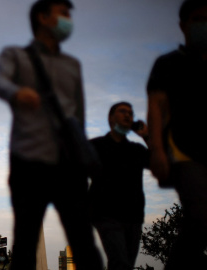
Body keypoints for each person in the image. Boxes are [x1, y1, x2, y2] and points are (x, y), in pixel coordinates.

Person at [0, 0, 102, 269]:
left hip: (68, 163)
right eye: (63, 13)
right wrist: (16, 93)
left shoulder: (72, 65)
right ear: (42, 17)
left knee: (84, 243)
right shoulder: (16, 55)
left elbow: (80, 116)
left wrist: (82, 156)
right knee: (26, 243)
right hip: (28, 160)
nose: (68, 19)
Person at [147, 0, 207, 269]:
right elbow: (156, 108)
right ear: (184, 25)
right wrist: (157, 151)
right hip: (185, 152)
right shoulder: (168, 63)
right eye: (198, 19)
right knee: (199, 217)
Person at [88, 102, 149, 270]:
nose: (128, 115)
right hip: (105, 214)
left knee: (125, 264)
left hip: (133, 216)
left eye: (130, 113)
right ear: (110, 118)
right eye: (122, 111)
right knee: (120, 263)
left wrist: (147, 137)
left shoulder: (137, 150)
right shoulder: (95, 146)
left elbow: (162, 164)